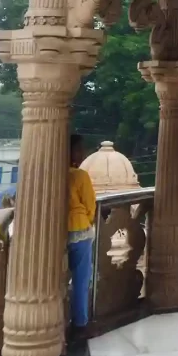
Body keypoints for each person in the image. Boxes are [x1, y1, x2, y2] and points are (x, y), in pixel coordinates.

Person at [67, 134, 96, 339]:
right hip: (79, 230)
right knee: (81, 280)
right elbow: (90, 206)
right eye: (78, 149)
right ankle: (80, 324)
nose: (82, 153)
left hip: (56, 232)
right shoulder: (79, 176)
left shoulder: (51, 174)